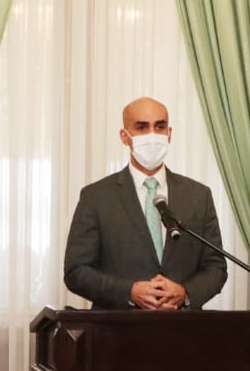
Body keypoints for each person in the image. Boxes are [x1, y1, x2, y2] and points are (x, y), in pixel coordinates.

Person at [64, 97, 227, 309]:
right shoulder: (96, 197)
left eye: (160, 126)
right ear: (125, 136)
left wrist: (185, 293)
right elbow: (76, 271)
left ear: (169, 134)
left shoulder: (198, 195)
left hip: (184, 332)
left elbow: (215, 267)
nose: (152, 134)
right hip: (116, 332)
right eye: (142, 127)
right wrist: (129, 292)